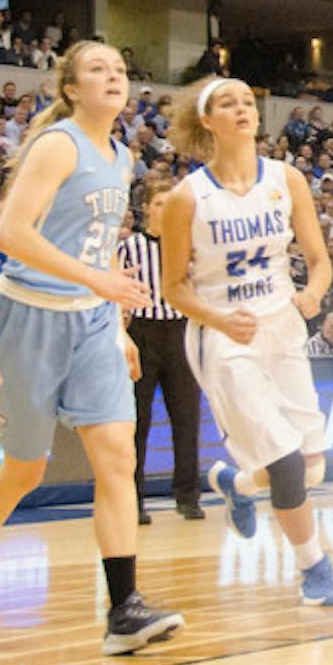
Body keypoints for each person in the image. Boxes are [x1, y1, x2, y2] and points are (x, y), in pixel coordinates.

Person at [0, 42, 184, 652]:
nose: (113, 77)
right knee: (26, 468)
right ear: (71, 88)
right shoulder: (57, 145)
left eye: (119, 69)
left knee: (117, 458)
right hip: (26, 318)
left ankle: (123, 609)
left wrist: (116, 323)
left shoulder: (122, 155)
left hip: (91, 321)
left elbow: (98, 246)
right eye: (98, 69)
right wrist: (97, 280)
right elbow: (10, 234)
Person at [159, 76, 333, 607]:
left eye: (247, 101)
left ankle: (236, 484)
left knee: (311, 466)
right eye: (227, 103)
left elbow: (320, 260)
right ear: (207, 121)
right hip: (225, 337)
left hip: (282, 326)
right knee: (285, 464)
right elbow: (173, 287)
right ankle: (314, 568)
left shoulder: (287, 179)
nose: (242, 108)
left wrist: (314, 294)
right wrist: (218, 319)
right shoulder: (186, 197)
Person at [118, 182, 203, 525]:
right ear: (146, 209)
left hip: (180, 331)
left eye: (171, 204)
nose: (165, 210)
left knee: (187, 418)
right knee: (137, 421)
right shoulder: (129, 247)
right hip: (142, 331)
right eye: (158, 204)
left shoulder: (188, 246)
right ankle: (133, 499)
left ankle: (188, 496)